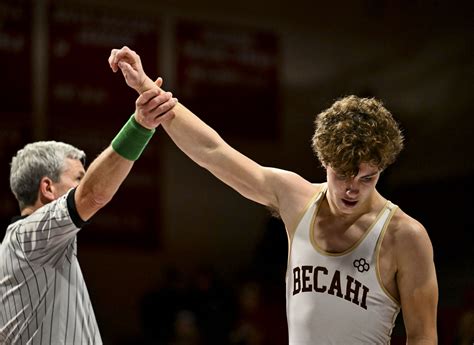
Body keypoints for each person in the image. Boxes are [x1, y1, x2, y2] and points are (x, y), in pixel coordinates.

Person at [109, 46, 438, 344]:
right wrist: (146, 87)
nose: (352, 188)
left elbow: (423, 336)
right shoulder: (296, 198)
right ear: (324, 161)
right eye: (342, 176)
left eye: (367, 178)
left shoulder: (405, 236)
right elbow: (213, 151)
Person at [0, 82, 177, 344]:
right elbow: (92, 194)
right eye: (77, 179)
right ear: (47, 187)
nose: (81, 187)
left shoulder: (24, 246)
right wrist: (141, 125)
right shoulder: (27, 237)